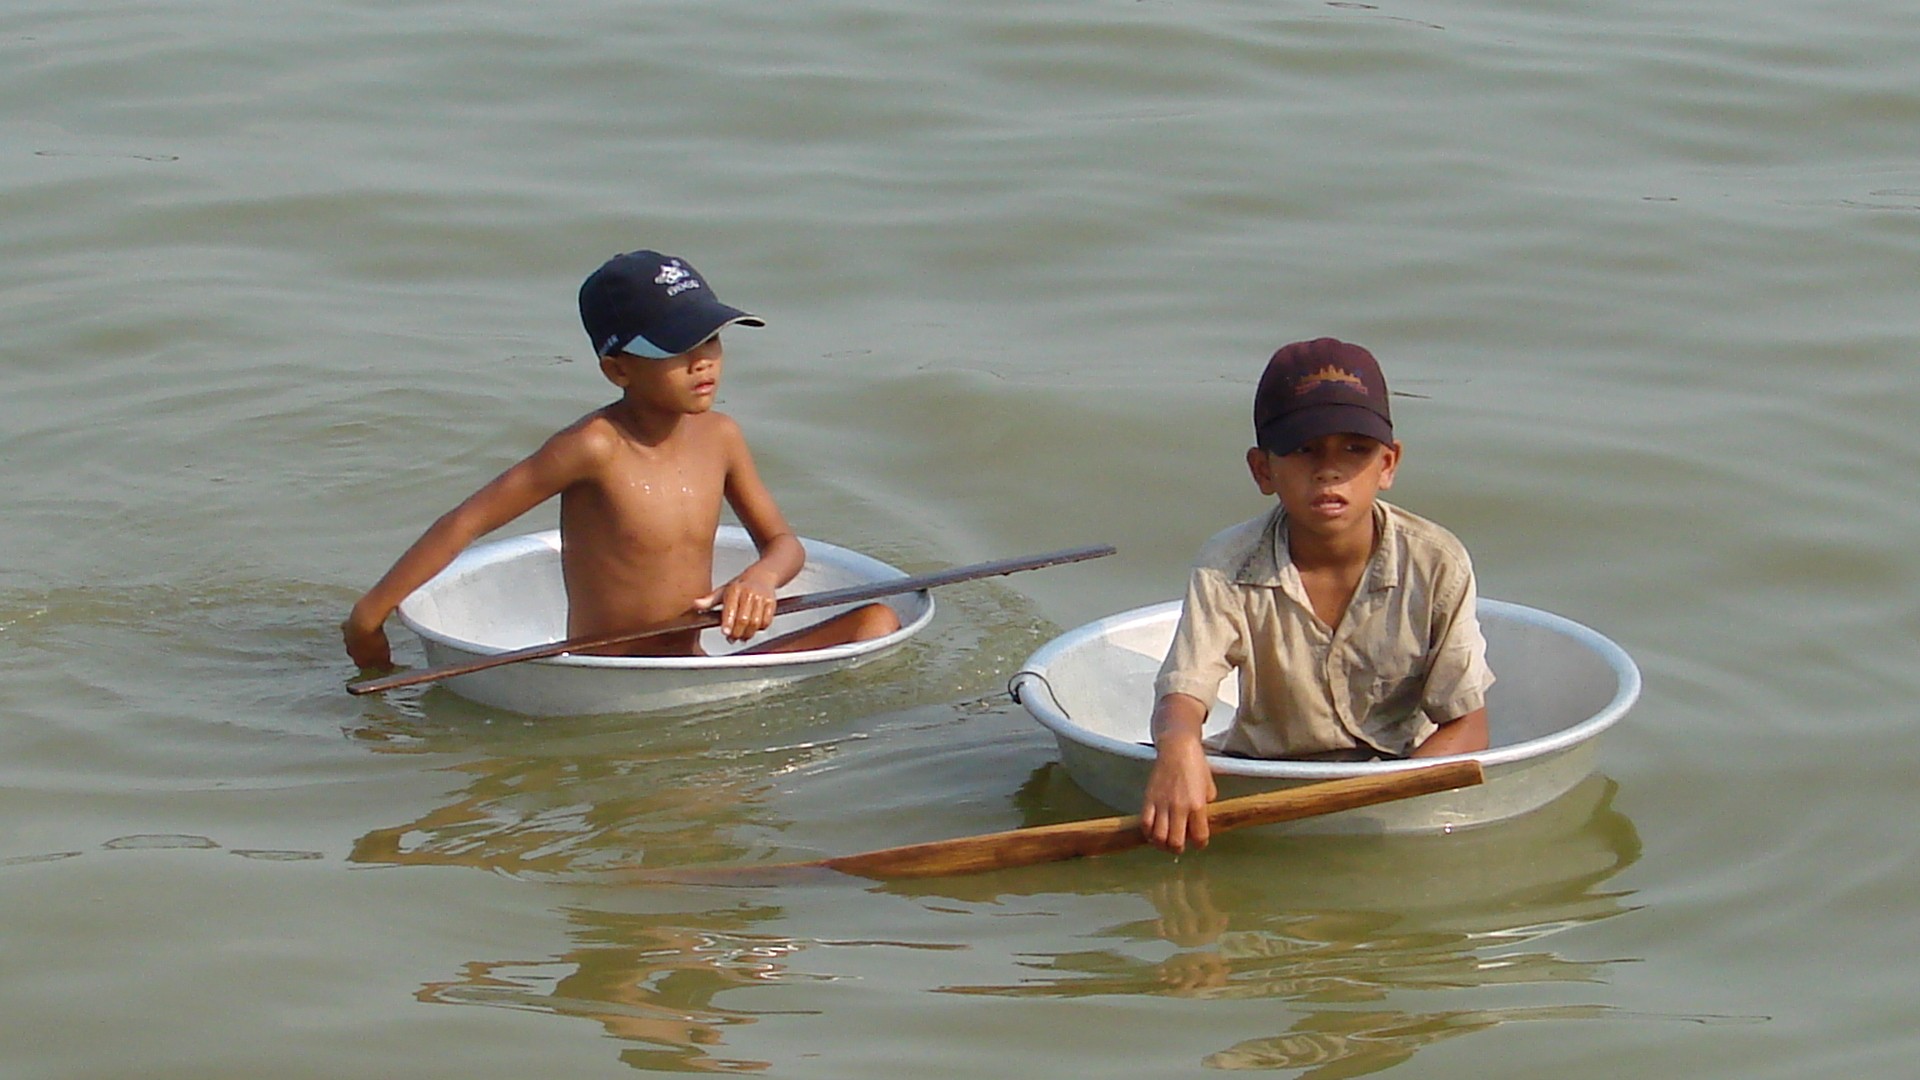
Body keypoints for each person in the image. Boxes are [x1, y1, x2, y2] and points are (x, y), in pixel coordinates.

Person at [341, 249, 900, 671]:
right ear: (618, 369)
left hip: (692, 666)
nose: (702, 363)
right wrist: (370, 616)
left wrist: (757, 579)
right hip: (611, 673)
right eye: (677, 350)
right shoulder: (594, 447)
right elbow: (466, 522)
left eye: (711, 342)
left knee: (878, 619)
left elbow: (785, 545)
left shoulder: (722, 438)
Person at [1140, 338, 1493, 853]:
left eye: (1355, 450)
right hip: (1265, 779)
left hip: (1396, 784)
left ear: (1388, 464)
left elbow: (1467, 723)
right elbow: (1182, 696)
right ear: (1263, 470)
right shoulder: (1228, 565)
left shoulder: (1437, 563)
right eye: (1305, 450)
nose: (1330, 471)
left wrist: (1386, 803)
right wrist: (1176, 750)